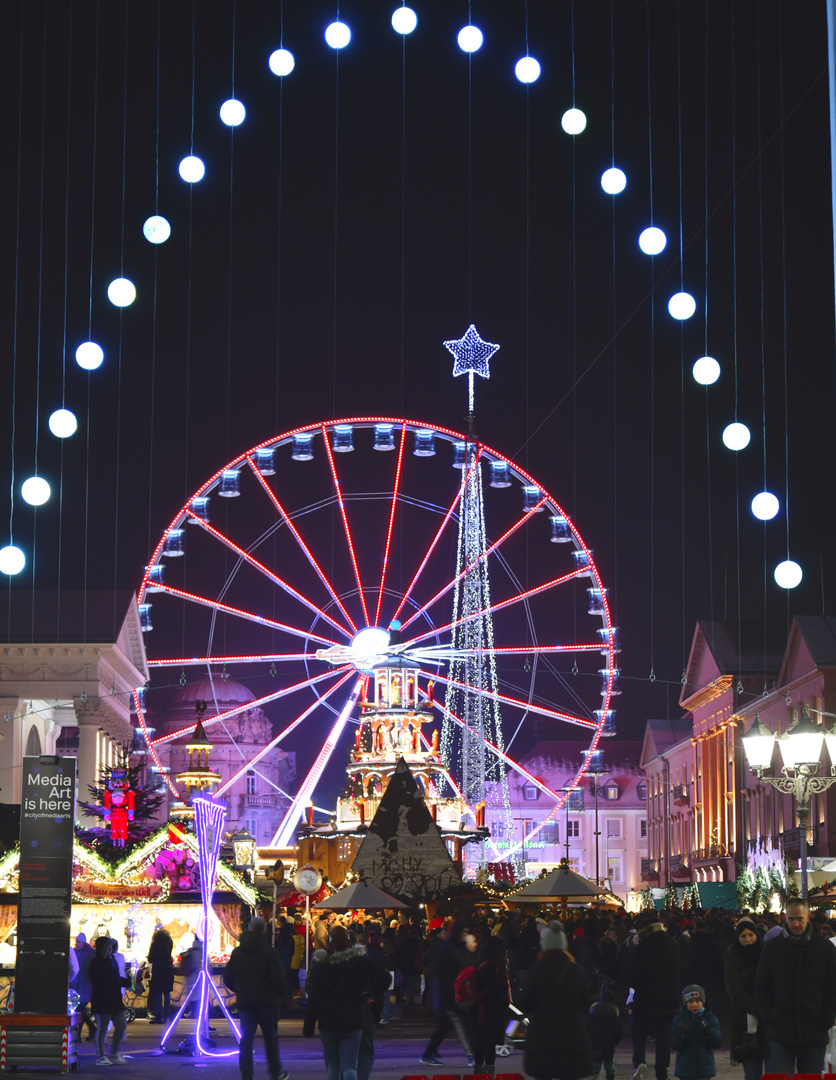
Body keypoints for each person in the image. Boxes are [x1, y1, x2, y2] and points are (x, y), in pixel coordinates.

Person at [754, 897, 836, 1073]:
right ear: (785, 918)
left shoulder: (824, 948)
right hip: (780, 1029)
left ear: (808, 917)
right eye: (791, 919)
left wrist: (827, 1017)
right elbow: (762, 985)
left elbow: (832, 986)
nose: (796, 924)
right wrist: (769, 1015)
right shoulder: (773, 948)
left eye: (800, 918)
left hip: (814, 1029)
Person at [303, 924, 389, 1080]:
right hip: (353, 1016)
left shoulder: (322, 963)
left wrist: (309, 1025)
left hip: (328, 1019)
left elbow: (314, 995)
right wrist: (369, 995)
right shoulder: (359, 961)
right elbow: (385, 978)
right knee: (349, 1066)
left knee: (333, 1066)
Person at [519, 929, 592, 1080]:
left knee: (543, 1075)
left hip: (542, 1036)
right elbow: (586, 1001)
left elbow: (525, 1003)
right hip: (571, 1035)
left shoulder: (536, 971)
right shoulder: (575, 970)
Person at [223, 916, 289, 1080]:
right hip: (268, 1002)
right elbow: (278, 978)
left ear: (250, 929)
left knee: (246, 1040)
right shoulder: (270, 952)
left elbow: (227, 977)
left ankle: (247, 1074)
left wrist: (240, 990)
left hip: (246, 1002)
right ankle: (275, 1072)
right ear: (264, 930)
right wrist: (281, 994)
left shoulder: (238, 952)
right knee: (271, 1038)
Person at [629, 913, 680, 1080]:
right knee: (663, 1037)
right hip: (669, 1000)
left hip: (646, 999)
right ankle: (662, 1072)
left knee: (639, 1030)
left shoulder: (642, 947)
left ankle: (640, 1061)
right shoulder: (671, 944)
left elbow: (634, 976)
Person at [419, 920, 475, 1067]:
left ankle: (428, 1054)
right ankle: (472, 1055)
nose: (465, 935)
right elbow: (441, 972)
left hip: (455, 993)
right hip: (450, 994)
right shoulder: (448, 949)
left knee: (444, 1028)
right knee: (461, 1024)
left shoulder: (459, 948)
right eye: (463, 933)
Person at [723, 917, 766, 1080]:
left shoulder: (764, 952)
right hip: (746, 1022)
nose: (748, 939)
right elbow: (735, 992)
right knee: (752, 1072)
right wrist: (761, 1008)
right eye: (743, 936)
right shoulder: (732, 955)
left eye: (750, 935)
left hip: (768, 1023)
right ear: (738, 938)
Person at [472, 936, 511, 1077]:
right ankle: (487, 1073)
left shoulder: (481, 963)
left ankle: (478, 1072)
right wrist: (504, 1004)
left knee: (480, 1044)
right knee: (489, 1044)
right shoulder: (494, 967)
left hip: (479, 1010)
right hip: (490, 1011)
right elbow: (494, 991)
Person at [88, 935, 129, 1066]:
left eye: (111, 948)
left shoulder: (112, 961)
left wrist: (128, 982)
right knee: (102, 1028)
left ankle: (114, 1052)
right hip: (102, 1001)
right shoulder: (95, 963)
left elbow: (116, 979)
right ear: (101, 949)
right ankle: (100, 1056)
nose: (110, 950)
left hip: (115, 1001)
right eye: (107, 948)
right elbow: (100, 980)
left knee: (122, 1025)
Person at [668, 984, 722, 1080]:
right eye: (690, 1002)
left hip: (704, 1070)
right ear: (685, 1003)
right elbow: (673, 1044)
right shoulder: (680, 1019)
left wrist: (708, 1029)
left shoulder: (710, 1019)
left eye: (697, 1001)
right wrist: (680, 1034)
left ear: (703, 1002)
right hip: (685, 1070)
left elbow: (717, 1042)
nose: (694, 1005)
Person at [588, 985, 624, 1080]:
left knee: (595, 1063)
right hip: (609, 1045)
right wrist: (615, 1041)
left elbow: (586, 1027)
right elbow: (619, 1031)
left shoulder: (593, 1014)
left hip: (595, 1044)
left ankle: (593, 1074)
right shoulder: (614, 1016)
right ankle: (610, 1077)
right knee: (609, 1064)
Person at [147, 927, 174, 1025]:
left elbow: (151, 958)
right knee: (167, 993)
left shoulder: (155, 943)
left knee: (158, 993)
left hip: (158, 970)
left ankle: (158, 1015)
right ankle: (166, 1015)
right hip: (168, 970)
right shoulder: (169, 941)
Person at [74, 932, 97, 1042]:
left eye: (79, 942)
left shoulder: (90, 953)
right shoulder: (78, 952)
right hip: (79, 985)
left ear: (83, 943)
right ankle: (91, 1029)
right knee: (80, 1010)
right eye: (76, 942)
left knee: (80, 1010)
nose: (76, 944)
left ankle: (79, 1034)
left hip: (85, 985)